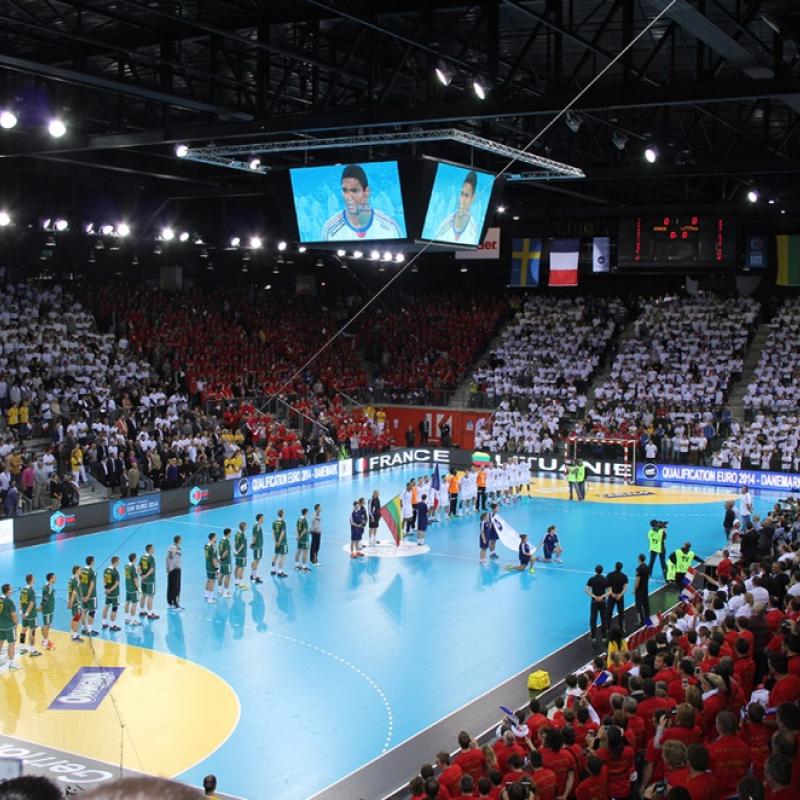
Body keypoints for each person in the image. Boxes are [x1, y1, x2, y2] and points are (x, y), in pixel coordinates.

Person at [321, 164, 402, 241]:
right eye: (345, 190)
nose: (349, 197)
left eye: (355, 191)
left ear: (366, 191)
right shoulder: (330, 229)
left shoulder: (390, 228)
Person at [434, 169, 480, 245]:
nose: (463, 199)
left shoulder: (473, 230)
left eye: (466, 195)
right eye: (462, 194)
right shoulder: (446, 222)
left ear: (473, 198)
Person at [585, 564, 610, 643]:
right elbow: (610, 591)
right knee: (604, 619)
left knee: (593, 619)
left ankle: (593, 637)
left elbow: (586, 590)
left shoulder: (591, 579)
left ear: (595, 571)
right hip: (602, 601)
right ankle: (604, 637)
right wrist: (602, 597)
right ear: (602, 571)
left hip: (594, 601)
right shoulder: (605, 579)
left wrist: (595, 596)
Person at [18, 573, 40, 657]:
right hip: (31, 615)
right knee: (32, 631)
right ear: (31, 580)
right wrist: (27, 613)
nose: (34, 579)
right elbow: (31, 604)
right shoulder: (31, 591)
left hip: (23, 614)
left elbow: (20, 601)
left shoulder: (23, 590)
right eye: (33, 578)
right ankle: (32, 650)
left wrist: (21, 611)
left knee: (23, 630)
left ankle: (22, 647)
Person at [0, 583, 21, 669]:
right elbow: (13, 615)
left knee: (0, 642)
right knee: (11, 644)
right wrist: (16, 624)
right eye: (11, 589)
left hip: (0, 626)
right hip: (9, 626)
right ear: (8, 591)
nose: (12, 591)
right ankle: (11, 663)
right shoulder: (9, 601)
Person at [606, 561, 628, 633]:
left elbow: (608, 586)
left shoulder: (609, 575)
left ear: (615, 567)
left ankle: (608, 627)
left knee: (609, 612)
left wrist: (612, 594)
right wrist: (620, 595)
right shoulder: (624, 576)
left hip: (612, 597)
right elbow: (625, 588)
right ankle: (621, 628)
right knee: (621, 613)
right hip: (620, 597)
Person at [101, 556, 122, 632]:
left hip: (108, 593)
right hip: (114, 594)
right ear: (116, 562)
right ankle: (112, 625)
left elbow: (104, 580)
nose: (119, 562)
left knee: (106, 607)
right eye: (118, 561)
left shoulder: (106, 570)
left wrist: (106, 589)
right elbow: (116, 584)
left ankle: (103, 623)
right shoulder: (115, 572)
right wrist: (110, 590)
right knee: (114, 608)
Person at [138, 544, 158, 619]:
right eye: (153, 548)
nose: (154, 549)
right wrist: (146, 576)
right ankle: (150, 614)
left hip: (143, 581)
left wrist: (141, 576)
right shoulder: (151, 558)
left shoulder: (142, 557)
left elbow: (138, 568)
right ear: (150, 549)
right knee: (150, 596)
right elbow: (152, 569)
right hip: (150, 580)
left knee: (143, 595)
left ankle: (142, 611)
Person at [79, 555, 98, 636]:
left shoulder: (81, 570)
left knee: (83, 611)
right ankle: (89, 630)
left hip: (82, 595)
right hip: (91, 596)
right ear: (92, 562)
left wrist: (82, 595)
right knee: (92, 611)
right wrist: (88, 596)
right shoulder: (92, 572)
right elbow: (92, 585)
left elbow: (79, 584)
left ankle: (83, 628)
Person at [124, 553, 141, 627]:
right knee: (134, 604)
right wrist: (138, 588)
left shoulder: (126, 566)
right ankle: (133, 620)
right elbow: (135, 579)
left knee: (127, 602)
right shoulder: (133, 567)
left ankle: (127, 618)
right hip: (133, 588)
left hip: (127, 587)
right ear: (134, 558)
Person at [40, 572, 56, 650]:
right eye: (54, 577)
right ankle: (46, 643)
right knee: (47, 625)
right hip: (47, 610)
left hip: (50, 609)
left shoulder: (49, 586)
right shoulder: (47, 588)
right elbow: (45, 599)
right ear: (51, 578)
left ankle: (44, 639)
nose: (55, 578)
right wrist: (41, 607)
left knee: (47, 625)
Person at [166, 535, 183, 609]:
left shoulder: (170, 547)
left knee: (170, 586)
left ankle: (170, 602)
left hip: (171, 569)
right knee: (176, 586)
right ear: (178, 540)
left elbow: (167, 558)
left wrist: (168, 567)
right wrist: (173, 567)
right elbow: (173, 559)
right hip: (175, 569)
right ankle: (175, 603)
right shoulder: (177, 548)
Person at [634, 553, 651, 626]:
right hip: (645, 589)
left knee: (638, 607)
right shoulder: (647, 567)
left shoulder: (639, 569)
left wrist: (634, 589)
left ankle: (640, 621)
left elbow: (638, 580)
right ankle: (648, 620)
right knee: (646, 605)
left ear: (640, 559)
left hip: (639, 590)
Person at [271, 509, 289, 577]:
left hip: (276, 542)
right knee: (282, 556)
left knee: (275, 555)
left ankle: (273, 570)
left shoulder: (274, 522)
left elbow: (273, 532)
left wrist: (275, 541)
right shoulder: (283, 522)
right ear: (283, 514)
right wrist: (279, 542)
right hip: (282, 542)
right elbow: (282, 533)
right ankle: (279, 572)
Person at [204, 533, 219, 604]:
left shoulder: (206, 545)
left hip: (207, 565)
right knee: (212, 582)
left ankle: (206, 594)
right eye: (216, 537)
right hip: (212, 567)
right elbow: (213, 559)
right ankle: (210, 598)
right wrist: (217, 568)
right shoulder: (213, 547)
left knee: (209, 580)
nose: (216, 538)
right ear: (213, 538)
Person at [218, 528, 233, 596]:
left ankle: (219, 590)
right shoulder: (227, 541)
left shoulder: (221, 540)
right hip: (226, 561)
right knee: (227, 576)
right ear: (228, 533)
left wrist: (220, 559)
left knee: (221, 575)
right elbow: (226, 551)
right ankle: (226, 592)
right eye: (230, 533)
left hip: (222, 562)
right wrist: (222, 558)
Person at [234, 521, 249, 589]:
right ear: (244, 527)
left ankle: (236, 582)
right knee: (241, 568)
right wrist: (238, 552)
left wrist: (235, 551)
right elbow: (242, 545)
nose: (247, 527)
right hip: (242, 554)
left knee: (237, 567)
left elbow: (235, 542)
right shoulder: (243, 535)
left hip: (237, 553)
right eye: (246, 526)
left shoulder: (236, 534)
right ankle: (241, 583)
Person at [251, 513, 265, 584]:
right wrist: (252, 544)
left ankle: (252, 575)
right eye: (263, 518)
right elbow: (254, 537)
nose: (264, 519)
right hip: (258, 546)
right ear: (259, 519)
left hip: (257, 546)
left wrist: (252, 544)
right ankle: (254, 578)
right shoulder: (257, 526)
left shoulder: (257, 525)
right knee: (256, 561)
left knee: (255, 561)